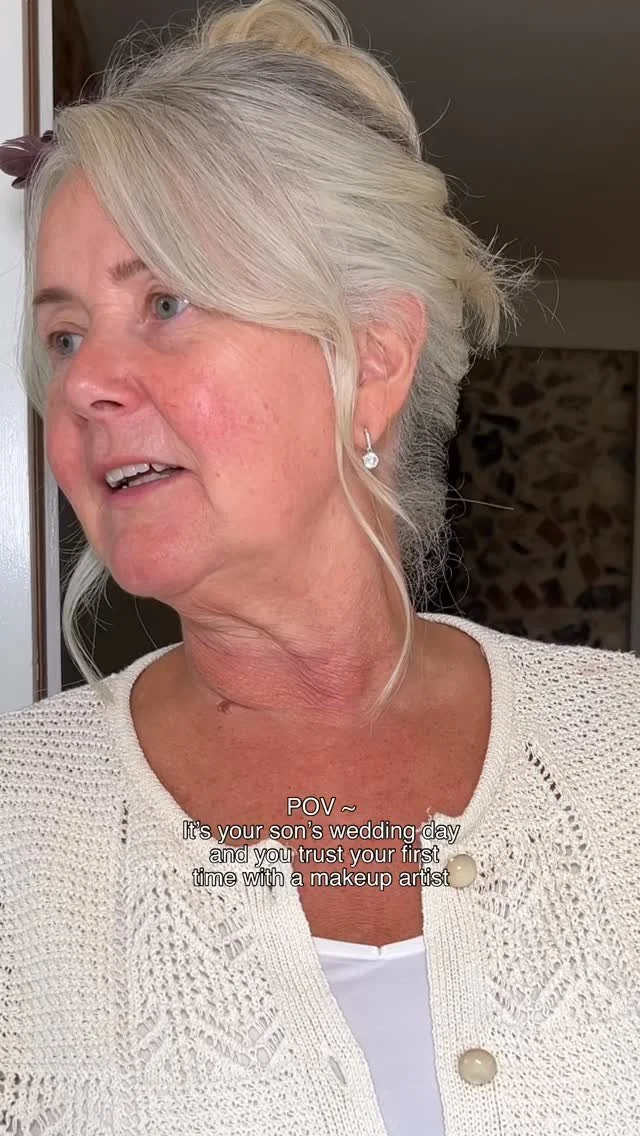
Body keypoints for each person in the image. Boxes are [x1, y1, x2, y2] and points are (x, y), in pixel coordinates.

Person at [1, 1, 638, 1132]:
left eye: (165, 301)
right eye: (63, 336)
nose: (83, 383)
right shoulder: (19, 823)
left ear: (373, 356)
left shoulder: (621, 752)